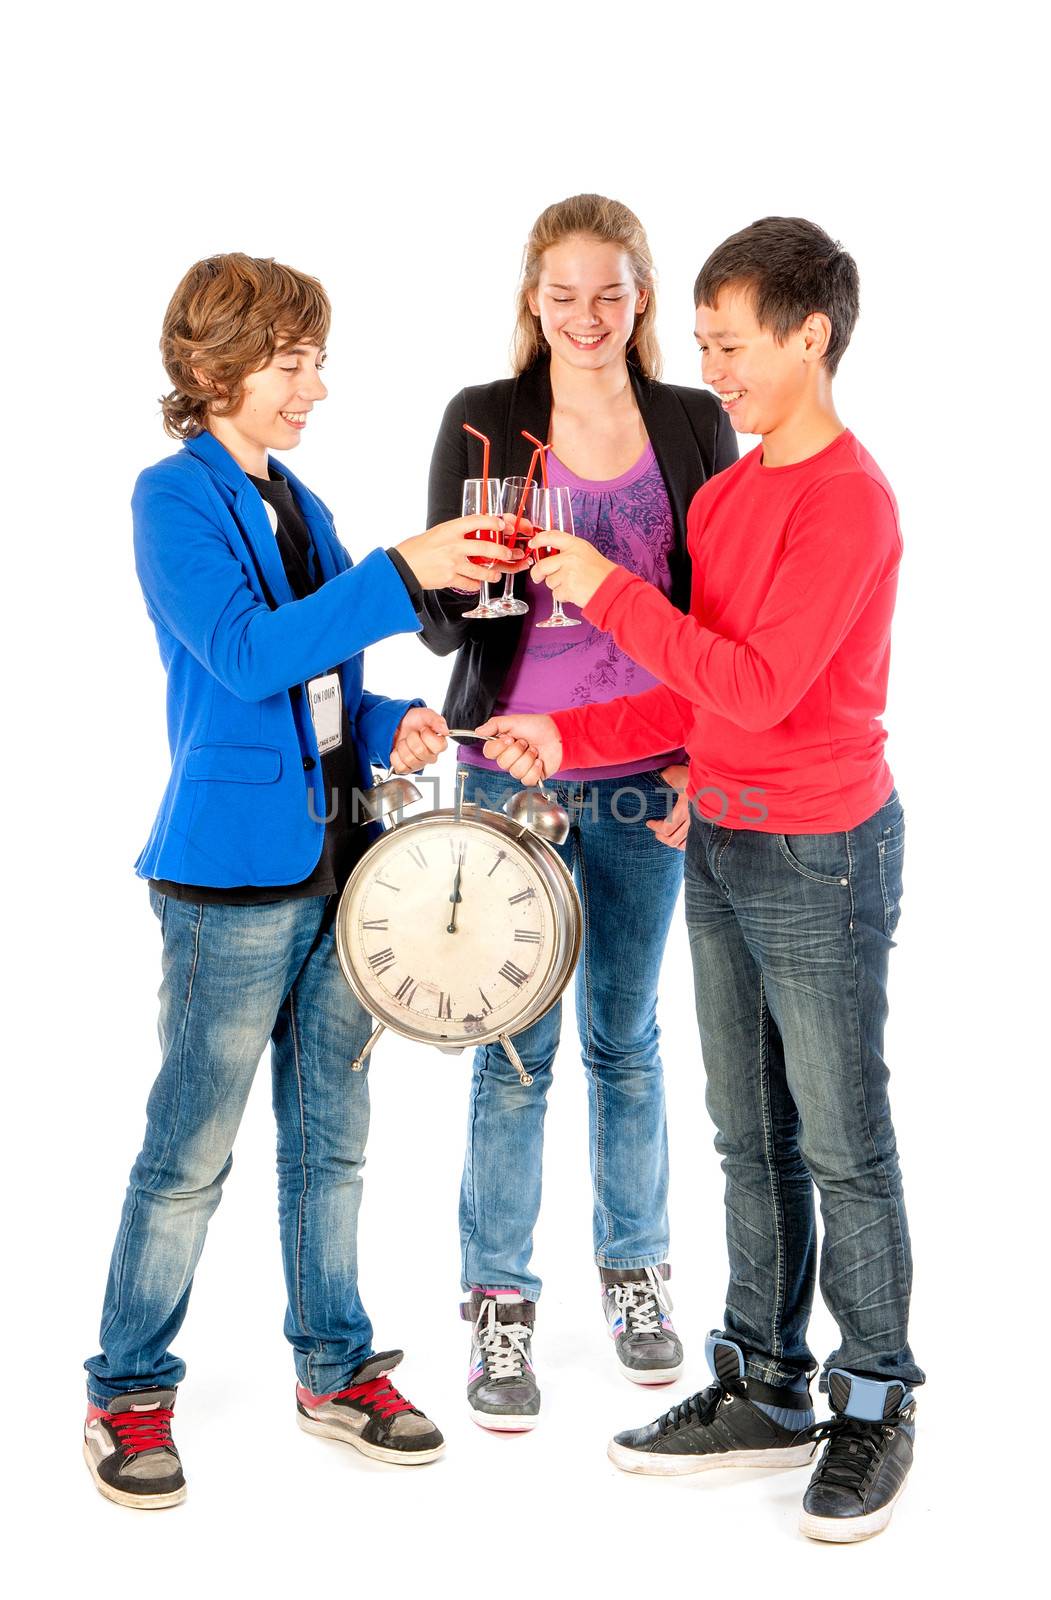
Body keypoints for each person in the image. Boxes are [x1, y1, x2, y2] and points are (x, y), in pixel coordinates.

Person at [477, 217, 923, 1542]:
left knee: (842, 1142)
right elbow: (695, 700)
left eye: (732, 346)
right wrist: (572, 735)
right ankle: (765, 1383)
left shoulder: (849, 501)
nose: (712, 369)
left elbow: (761, 686)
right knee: (747, 1135)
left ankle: (874, 1396)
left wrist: (608, 590)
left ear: (809, 336)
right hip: (717, 838)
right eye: (710, 344)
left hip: (821, 853)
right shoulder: (724, 497)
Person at [83, 253, 524, 1509]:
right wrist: (397, 569)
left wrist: (392, 722)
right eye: (291, 361)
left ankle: (333, 1367)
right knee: (191, 1156)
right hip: (228, 885)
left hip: (342, 869)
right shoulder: (171, 498)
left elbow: (317, 683)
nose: (314, 384)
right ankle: (124, 1386)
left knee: (332, 1145)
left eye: (316, 359)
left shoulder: (298, 498)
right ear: (213, 366)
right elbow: (241, 654)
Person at [419, 194, 736, 1429]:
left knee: (625, 1034)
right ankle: (498, 1305)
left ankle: (636, 1275)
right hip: (511, 764)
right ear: (531, 299)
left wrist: (703, 757)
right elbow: (445, 616)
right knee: (515, 1047)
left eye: (610, 292)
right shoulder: (484, 421)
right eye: (563, 294)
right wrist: (480, 577)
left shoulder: (691, 421)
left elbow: (720, 616)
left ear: (641, 297)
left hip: (652, 766)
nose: (587, 316)